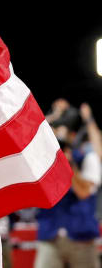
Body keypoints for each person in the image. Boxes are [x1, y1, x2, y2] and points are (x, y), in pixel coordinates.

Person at [35, 100, 101, 268]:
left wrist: (69, 167)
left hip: (81, 237)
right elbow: (31, 130)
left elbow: (84, 192)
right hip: (50, 233)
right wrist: (54, 115)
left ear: (73, 135)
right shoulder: (44, 157)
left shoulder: (86, 157)